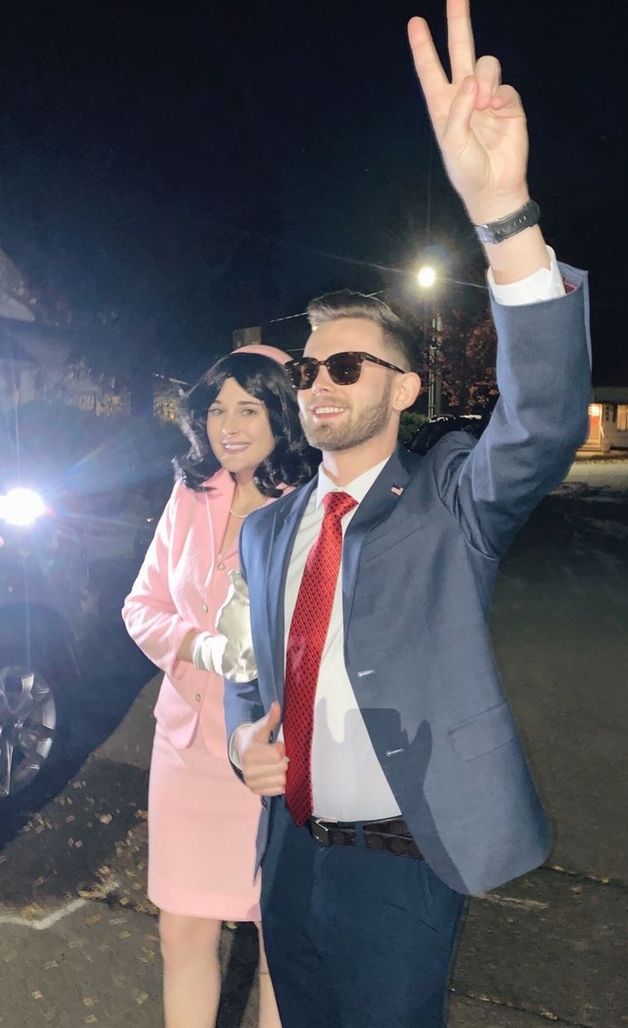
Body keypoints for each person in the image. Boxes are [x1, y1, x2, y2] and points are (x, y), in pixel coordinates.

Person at [224, 0, 592, 1023]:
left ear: (404, 389)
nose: (316, 384)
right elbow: (246, 668)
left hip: (400, 861)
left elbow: (545, 419)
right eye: (306, 368)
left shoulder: (450, 496)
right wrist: (235, 734)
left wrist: (503, 214)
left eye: (345, 364)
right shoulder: (266, 527)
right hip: (287, 852)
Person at [122, 344, 316, 1028]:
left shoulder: (312, 507)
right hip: (185, 750)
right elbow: (141, 605)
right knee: (181, 931)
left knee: (278, 946)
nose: (227, 426)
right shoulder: (192, 492)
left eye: (249, 408)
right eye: (215, 409)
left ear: (283, 415)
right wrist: (199, 644)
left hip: (274, 757)